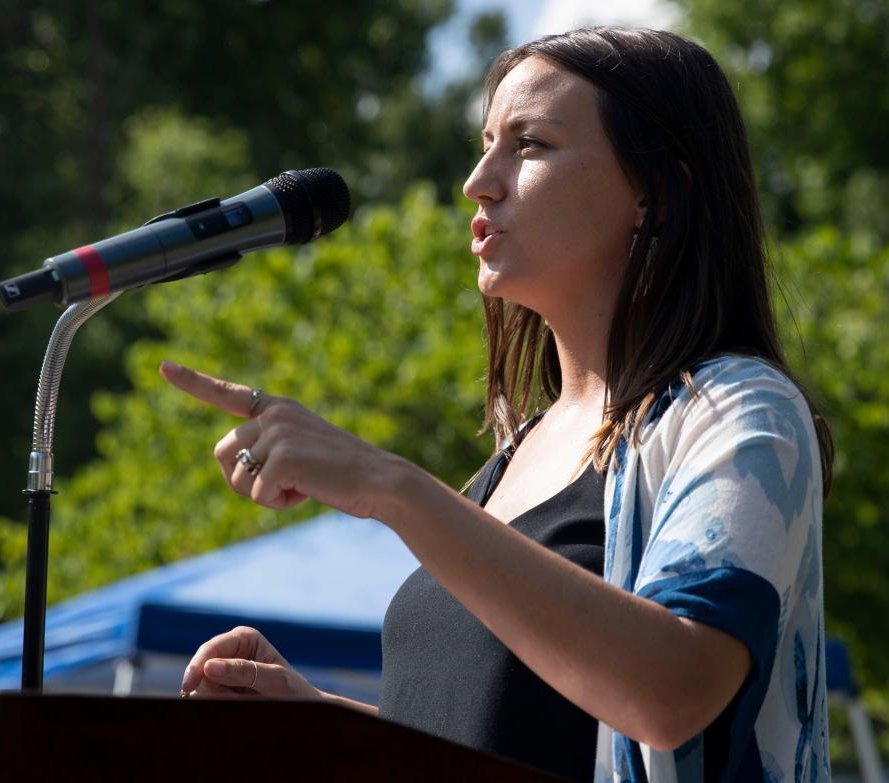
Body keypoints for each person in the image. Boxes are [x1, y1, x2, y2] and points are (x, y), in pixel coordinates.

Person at [159, 27, 833, 783]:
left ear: (657, 192)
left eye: (530, 144)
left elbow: (673, 691)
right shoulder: (517, 454)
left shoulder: (740, 411)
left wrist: (391, 485)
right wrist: (320, 722)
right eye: (486, 144)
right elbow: (510, 736)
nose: (480, 180)